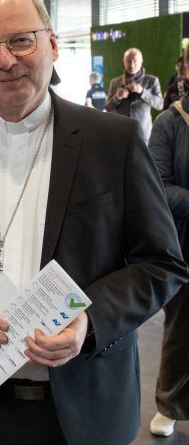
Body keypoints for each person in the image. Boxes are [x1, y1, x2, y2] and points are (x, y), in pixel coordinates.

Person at [0, 0, 187, 445]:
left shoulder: (112, 141)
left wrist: (89, 321)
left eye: (20, 40)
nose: (5, 60)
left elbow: (161, 264)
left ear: (52, 44)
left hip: (86, 408)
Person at [147, 53, 189, 436]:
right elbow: (158, 185)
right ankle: (170, 405)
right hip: (185, 243)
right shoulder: (171, 122)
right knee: (181, 328)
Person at [105, 47, 163, 142]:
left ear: (141, 61)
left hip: (144, 134)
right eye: (128, 61)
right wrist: (117, 97)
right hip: (121, 133)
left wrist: (142, 91)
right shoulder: (115, 82)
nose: (132, 65)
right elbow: (107, 107)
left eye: (135, 61)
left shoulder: (152, 80)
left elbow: (160, 104)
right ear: (123, 62)